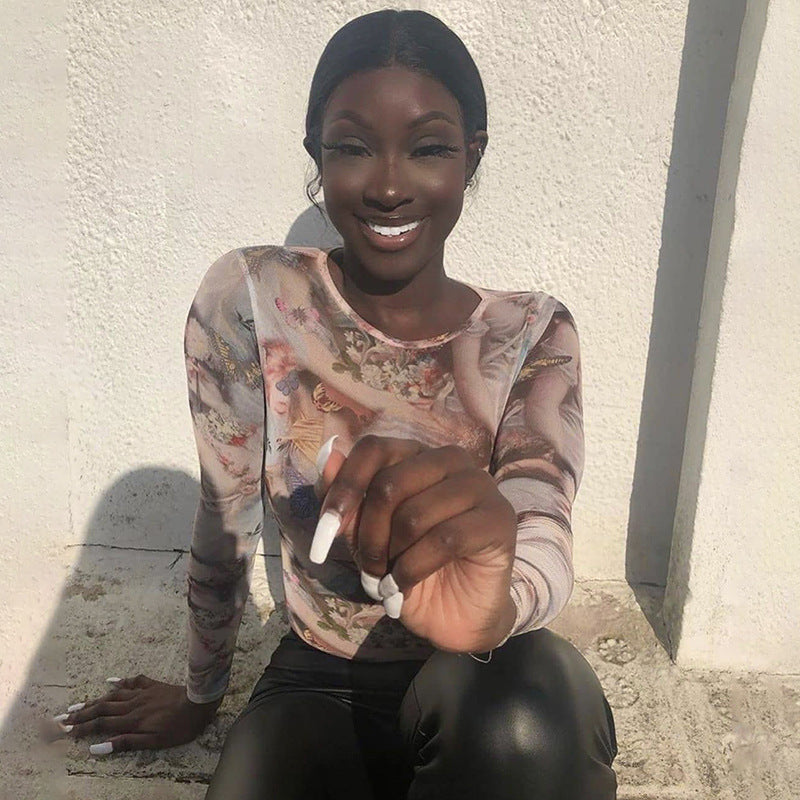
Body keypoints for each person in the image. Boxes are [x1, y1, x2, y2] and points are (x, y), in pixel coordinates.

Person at [53, 10, 618, 798]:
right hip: (323, 675)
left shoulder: (528, 331)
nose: (387, 183)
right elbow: (225, 513)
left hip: (489, 670)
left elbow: (542, 522)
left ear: (471, 157)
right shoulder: (254, 296)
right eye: (351, 146)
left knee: (521, 729)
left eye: (427, 147)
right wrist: (200, 696)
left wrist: (496, 606)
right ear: (316, 153)